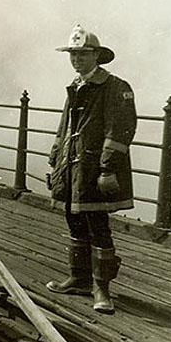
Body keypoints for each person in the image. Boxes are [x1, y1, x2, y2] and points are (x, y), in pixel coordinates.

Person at [45, 24, 136, 314]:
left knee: (98, 226)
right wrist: (56, 153)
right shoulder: (75, 85)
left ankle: (101, 288)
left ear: (96, 55)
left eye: (83, 54)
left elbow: (119, 130)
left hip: (94, 170)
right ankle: (79, 278)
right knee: (74, 220)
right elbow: (65, 126)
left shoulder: (114, 87)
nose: (77, 59)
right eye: (73, 54)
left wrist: (107, 169)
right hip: (72, 168)